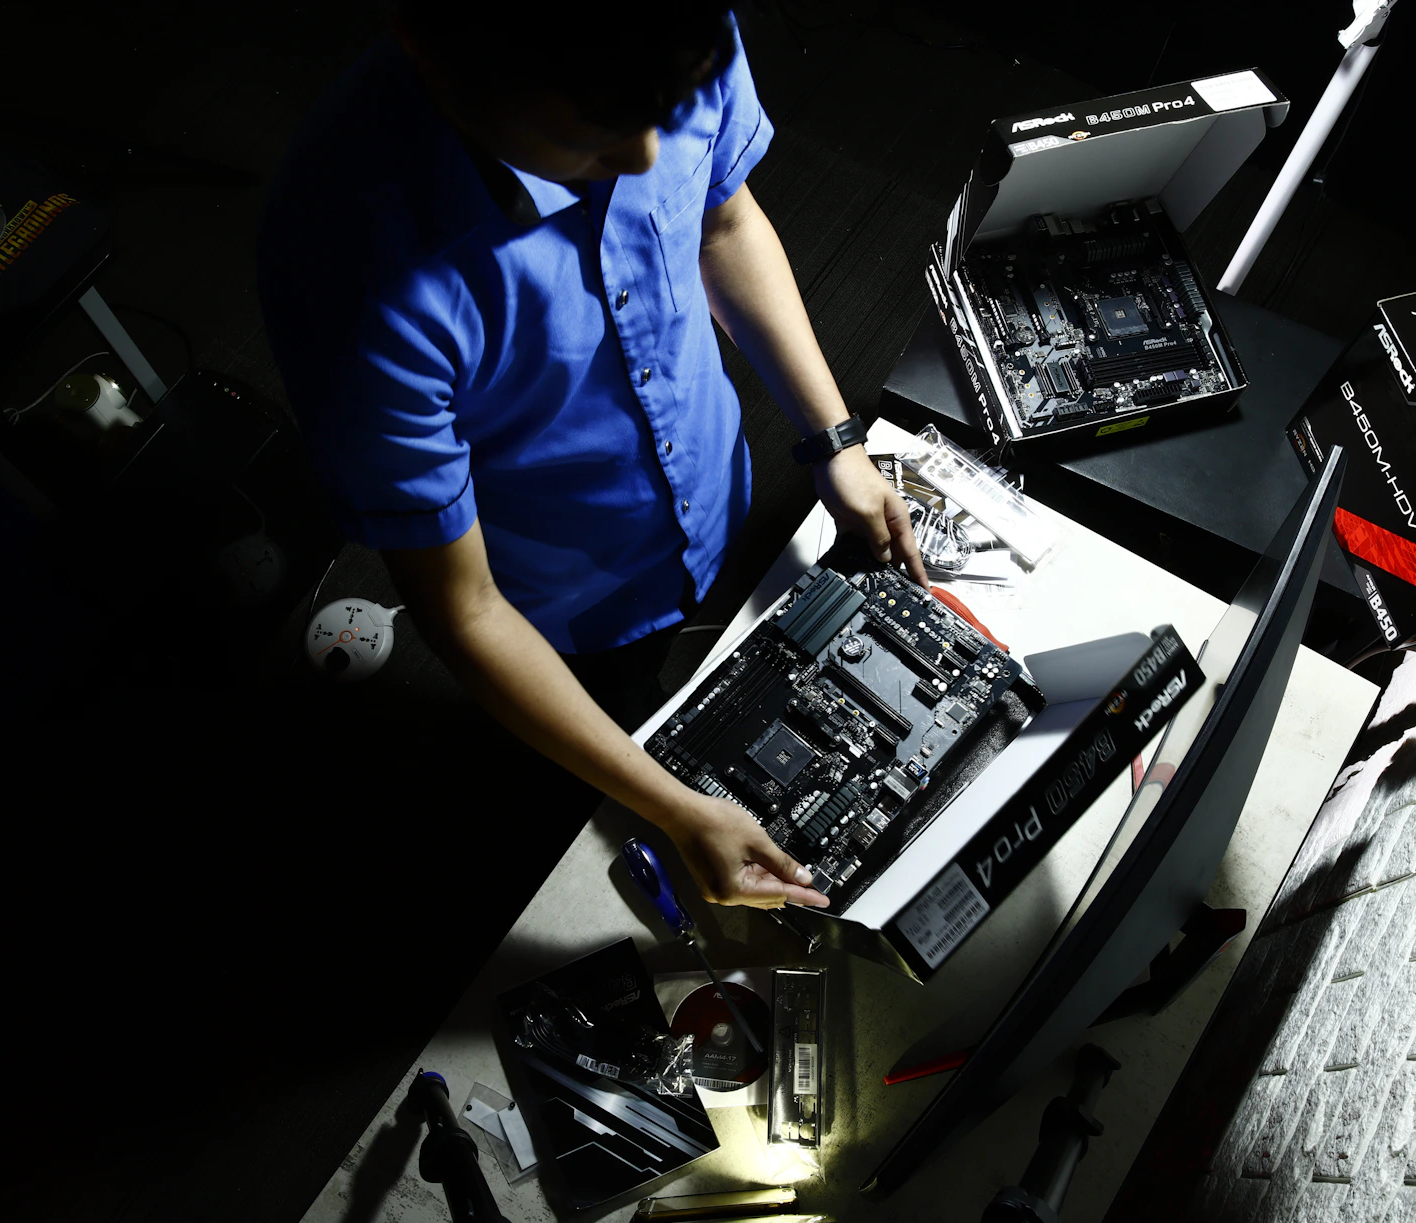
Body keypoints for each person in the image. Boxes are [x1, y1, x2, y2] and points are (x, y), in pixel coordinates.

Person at [257, 3, 925, 910]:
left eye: (670, 109)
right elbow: (465, 612)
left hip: (716, 477)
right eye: (601, 131)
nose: (651, 157)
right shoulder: (354, 280)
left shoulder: (666, 36)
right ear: (433, 49)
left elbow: (723, 225)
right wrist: (678, 812)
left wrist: (831, 436)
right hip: (560, 604)